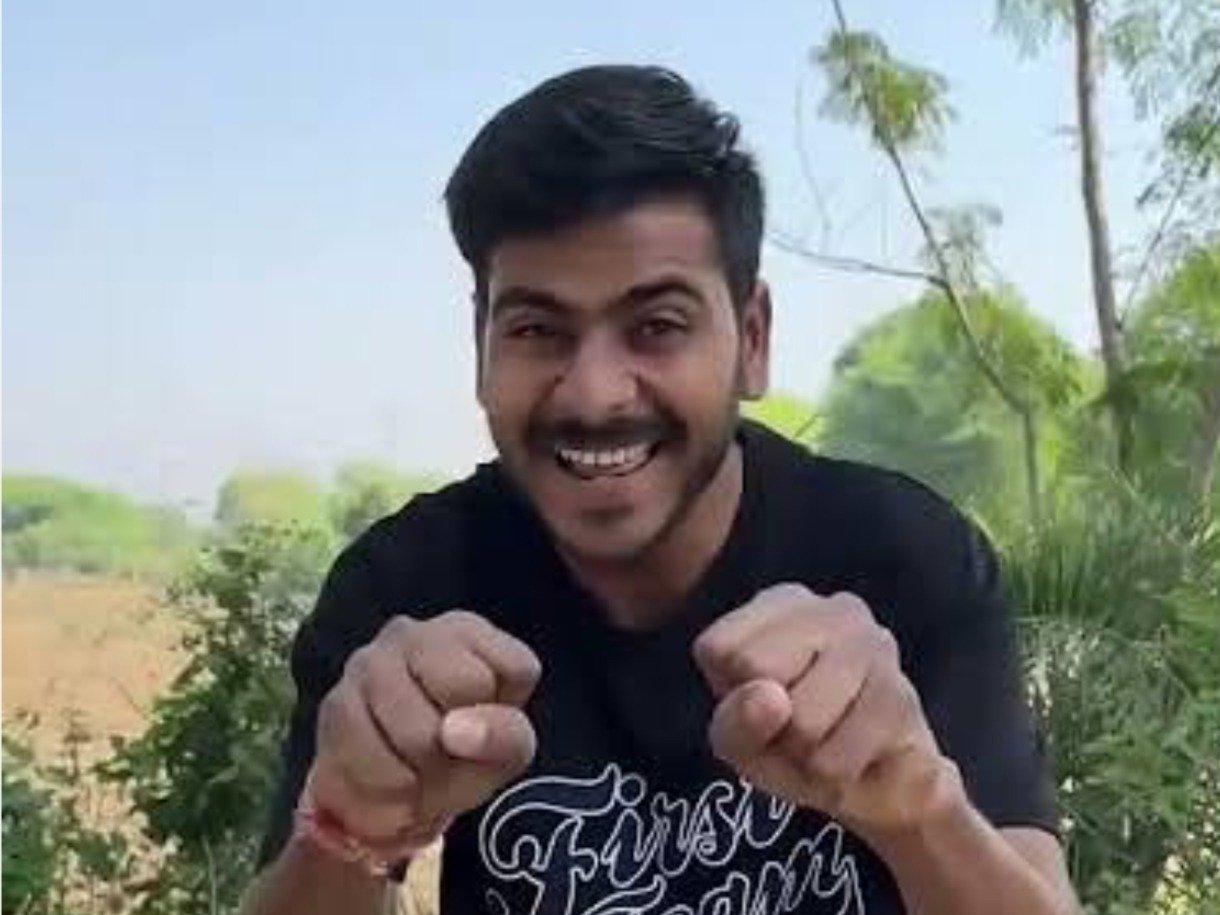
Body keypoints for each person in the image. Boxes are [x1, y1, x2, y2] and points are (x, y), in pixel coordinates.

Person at [241, 65, 1079, 915]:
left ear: (752, 339)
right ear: (481, 344)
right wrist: (346, 829)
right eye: (536, 329)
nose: (594, 394)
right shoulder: (404, 588)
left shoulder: (902, 556)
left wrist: (920, 811)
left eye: (657, 326)